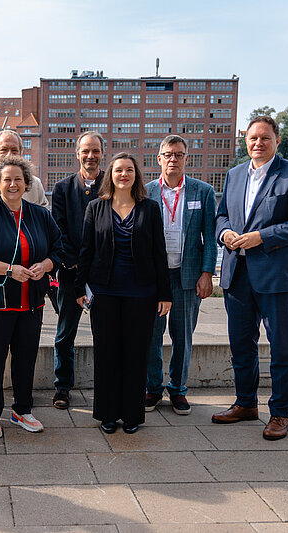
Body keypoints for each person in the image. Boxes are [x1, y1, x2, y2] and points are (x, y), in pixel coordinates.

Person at [213, 116, 288, 440]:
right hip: (237, 274)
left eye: (265, 138)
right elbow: (221, 215)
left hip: (279, 278)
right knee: (240, 345)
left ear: (277, 141)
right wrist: (225, 234)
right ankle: (246, 403)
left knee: (283, 348)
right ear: (245, 140)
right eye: (253, 138)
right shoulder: (234, 175)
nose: (258, 143)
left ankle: (280, 413)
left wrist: (262, 236)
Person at [0, 155, 62, 439]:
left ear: (27, 183)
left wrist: (46, 265)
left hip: (31, 301)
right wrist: (9, 270)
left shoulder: (40, 215)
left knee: (26, 358)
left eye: (18, 179)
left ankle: (22, 410)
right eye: (7, 179)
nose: (13, 184)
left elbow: (59, 248)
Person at [75, 153, 172, 435]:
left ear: (136, 175)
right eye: (119, 170)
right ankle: (107, 413)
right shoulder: (95, 207)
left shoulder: (149, 208)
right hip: (104, 292)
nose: (124, 175)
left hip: (141, 293)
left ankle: (131, 414)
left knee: (135, 354)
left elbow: (159, 252)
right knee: (107, 353)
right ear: (111, 175)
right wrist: (80, 287)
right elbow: (86, 250)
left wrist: (165, 293)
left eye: (129, 170)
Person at [145, 135, 217, 416]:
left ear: (187, 159)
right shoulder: (146, 192)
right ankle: (152, 387)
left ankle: (177, 389)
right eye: (168, 154)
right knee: (151, 336)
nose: (173, 159)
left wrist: (207, 273)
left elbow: (209, 238)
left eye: (178, 154)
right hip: (154, 278)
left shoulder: (203, 191)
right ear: (159, 159)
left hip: (187, 277)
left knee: (183, 337)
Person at [50, 131, 105, 409]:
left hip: (104, 275)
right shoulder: (62, 188)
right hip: (71, 273)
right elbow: (57, 228)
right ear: (77, 154)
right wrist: (72, 261)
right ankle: (62, 386)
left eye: (95, 151)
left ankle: (106, 388)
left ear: (102, 154)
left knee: (106, 333)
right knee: (64, 334)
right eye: (85, 151)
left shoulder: (112, 184)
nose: (90, 156)